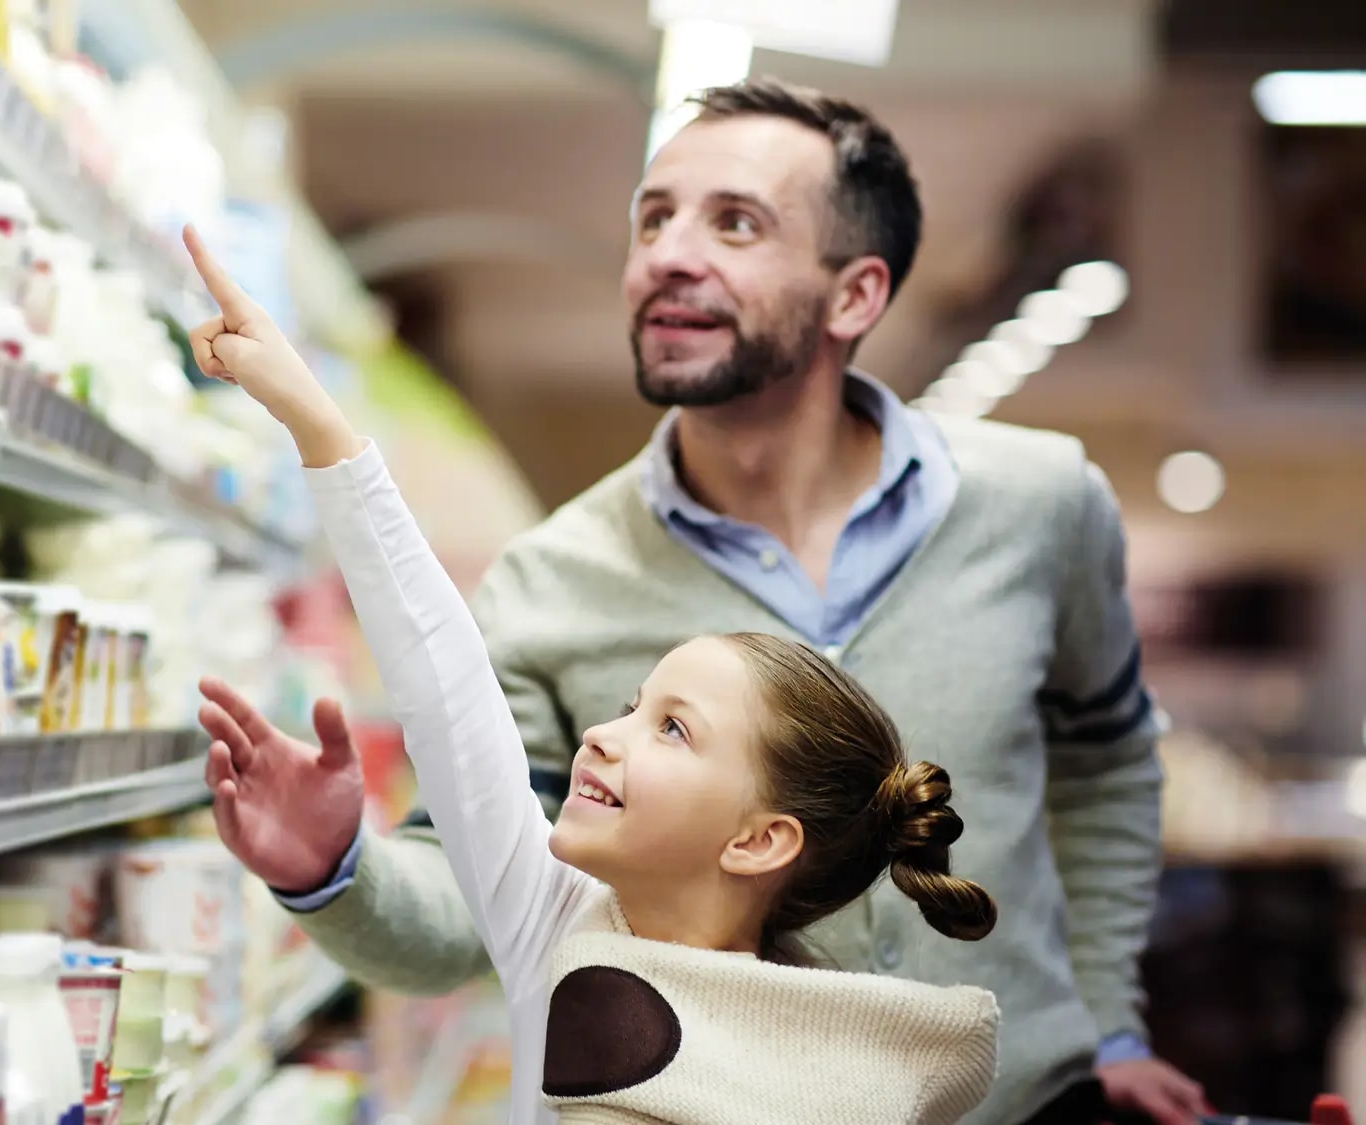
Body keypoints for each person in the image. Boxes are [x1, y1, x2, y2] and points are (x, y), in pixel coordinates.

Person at [194, 78, 1211, 1125]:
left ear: (855, 294)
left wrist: (1111, 1028)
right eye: (650, 216)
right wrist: (334, 869)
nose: (666, 252)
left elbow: (1107, 772)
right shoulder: (555, 663)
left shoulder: (1045, 507)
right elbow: (441, 697)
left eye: (732, 220)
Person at [183, 222, 1002, 1125]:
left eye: (674, 728)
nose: (603, 735)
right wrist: (315, 419)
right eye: (632, 706)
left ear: (759, 840)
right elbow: (446, 684)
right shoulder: (557, 922)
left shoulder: (829, 1079)